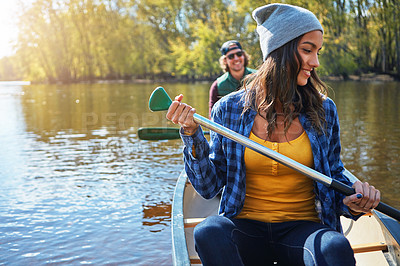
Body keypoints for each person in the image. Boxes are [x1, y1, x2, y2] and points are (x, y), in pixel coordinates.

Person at [166, 3, 381, 265]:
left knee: (335, 247)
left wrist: (353, 201)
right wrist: (192, 135)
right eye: (307, 50)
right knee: (208, 231)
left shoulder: (324, 109)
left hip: (303, 230)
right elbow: (208, 188)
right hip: (245, 227)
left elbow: (333, 176)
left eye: (317, 51)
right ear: (281, 50)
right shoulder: (228, 109)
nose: (316, 62)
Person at [209, 40, 256, 117]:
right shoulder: (217, 86)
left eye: (239, 54)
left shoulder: (260, 77)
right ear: (225, 61)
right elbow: (212, 116)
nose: (236, 58)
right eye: (231, 56)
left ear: (244, 55)